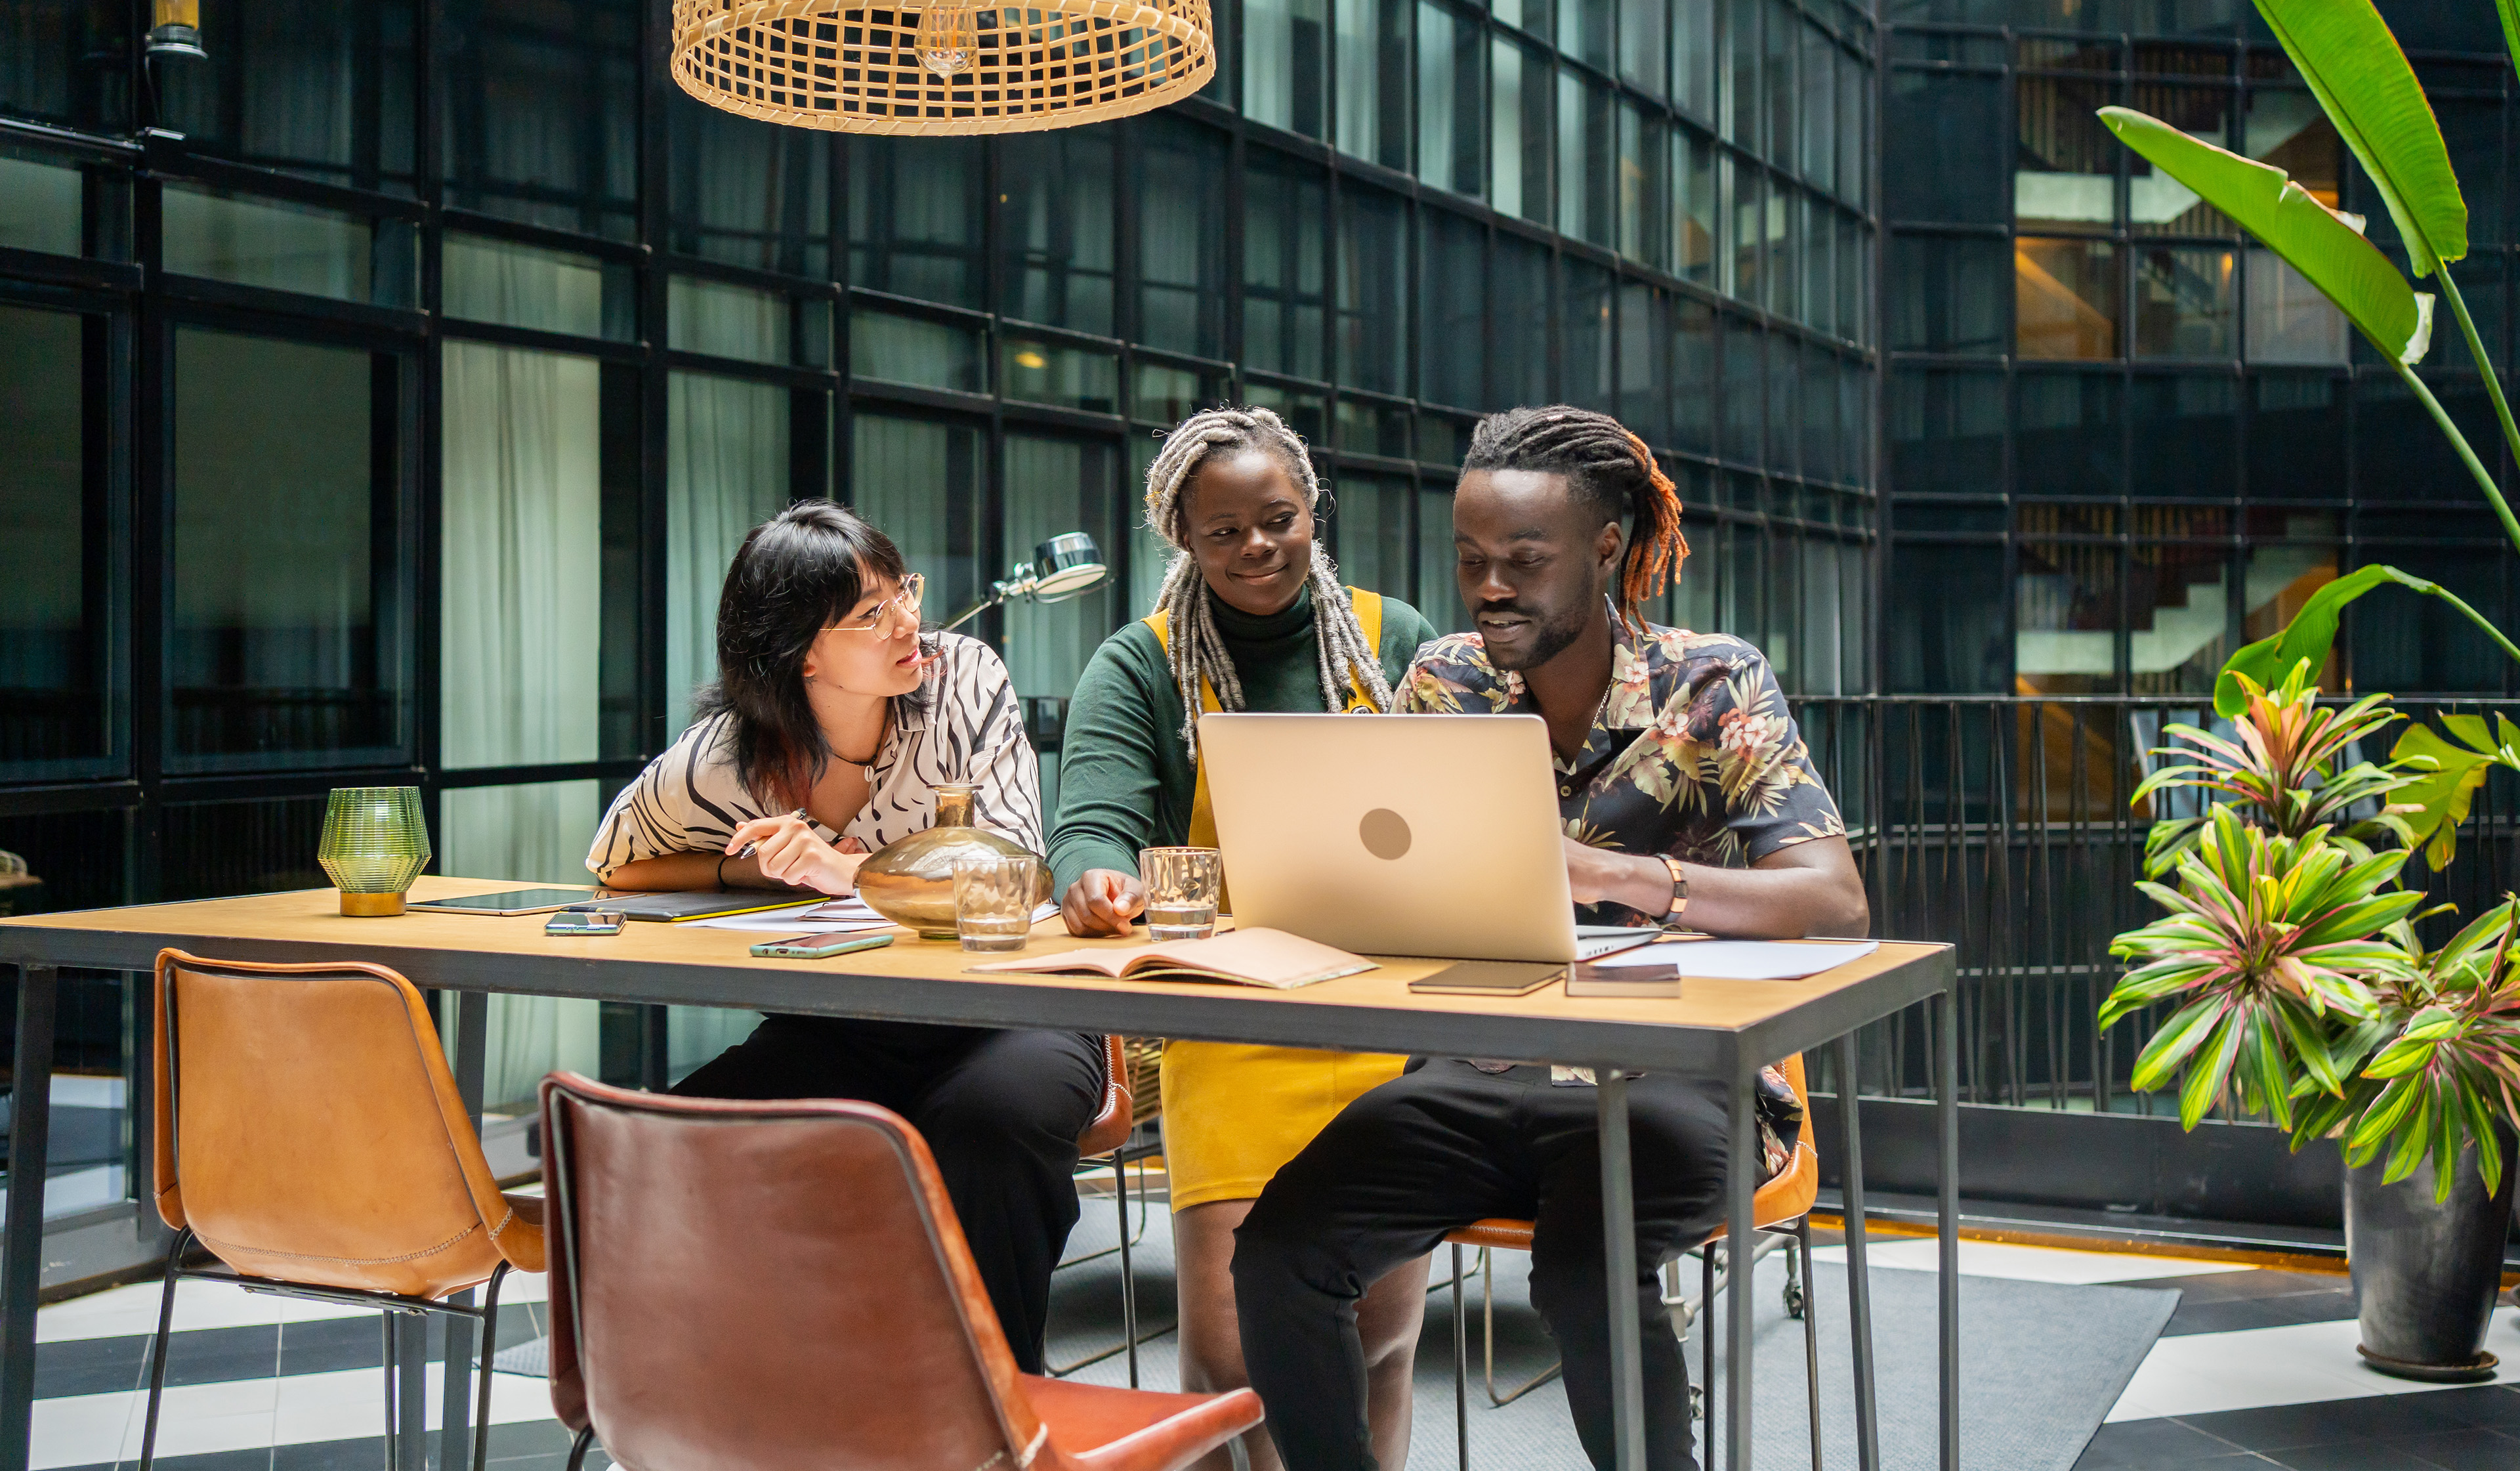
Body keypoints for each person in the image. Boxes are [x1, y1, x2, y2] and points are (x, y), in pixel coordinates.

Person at [1228, 406, 1870, 1471]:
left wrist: (1613, 876)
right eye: (1472, 559)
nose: (1490, 586)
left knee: (1582, 1274)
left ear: (1607, 550)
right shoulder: (1445, 681)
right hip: (1476, 1069)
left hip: (1675, 1079)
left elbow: (1835, 901)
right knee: (1281, 1257)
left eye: (1524, 560)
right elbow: (1385, 876)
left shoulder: (1711, 683)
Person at [585, 499, 1102, 1375]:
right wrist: (750, 870)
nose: (910, 619)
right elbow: (616, 864)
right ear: (802, 653)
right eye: (872, 612)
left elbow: (1020, 885)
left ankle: (994, 1406)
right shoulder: (725, 760)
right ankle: (760, 1405)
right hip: (850, 1021)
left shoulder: (963, 681)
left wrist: (850, 874)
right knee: (695, 1128)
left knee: (985, 1125)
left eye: (902, 589)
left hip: (1021, 1011)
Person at [1049, 407, 1440, 1471]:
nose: (1258, 547)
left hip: (1380, 1016)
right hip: (1228, 1023)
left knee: (1379, 1338)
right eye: (1224, 533)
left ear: (1313, 510)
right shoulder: (1142, 666)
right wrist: (1094, 872)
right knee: (1232, 1356)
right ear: (1183, 537)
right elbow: (1091, 815)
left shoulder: (1392, 638)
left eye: (1279, 519)